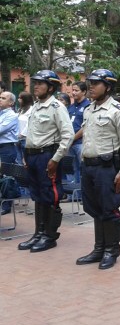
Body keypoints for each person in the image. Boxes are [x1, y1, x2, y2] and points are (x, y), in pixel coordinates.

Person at [75, 69, 120, 270]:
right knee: (94, 209)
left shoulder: (119, 111)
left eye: (96, 83)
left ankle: (111, 250)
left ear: (107, 87)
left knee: (109, 209)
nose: (90, 87)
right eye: (89, 83)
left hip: (108, 168)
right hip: (89, 166)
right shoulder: (88, 110)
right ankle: (99, 248)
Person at [18, 71, 74, 251]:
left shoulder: (57, 107)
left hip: (47, 156)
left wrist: (56, 159)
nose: (36, 86)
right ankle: (38, 233)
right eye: (35, 83)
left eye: (40, 84)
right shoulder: (35, 106)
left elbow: (68, 135)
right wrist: (27, 156)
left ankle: (49, 236)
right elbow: (31, 134)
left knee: (50, 195)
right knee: (37, 195)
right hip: (33, 155)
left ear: (50, 87)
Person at [0, 91, 19, 214]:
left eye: (3, 98)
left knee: (6, 177)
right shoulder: (1, 113)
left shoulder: (12, 115)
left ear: (11, 102)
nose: (0, 99)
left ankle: (7, 205)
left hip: (7, 148)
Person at [68, 81, 90, 184]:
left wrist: (73, 138)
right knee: (72, 169)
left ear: (84, 92)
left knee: (82, 169)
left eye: (76, 90)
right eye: (72, 90)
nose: (73, 93)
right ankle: (72, 195)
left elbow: (85, 127)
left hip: (81, 143)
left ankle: (82, 195)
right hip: (69, 144)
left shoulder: (88, 106)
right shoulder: (71, 107)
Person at [16, 91, 34, 165]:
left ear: (25, 99)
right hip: (17, 139)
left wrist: (22, 134)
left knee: (26, 161)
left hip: (26, 139)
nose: (18, 100)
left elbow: (30, 124)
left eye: (20, 98)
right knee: (18, 161)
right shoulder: (20, 110)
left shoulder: (32, 110)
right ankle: (19, 176)